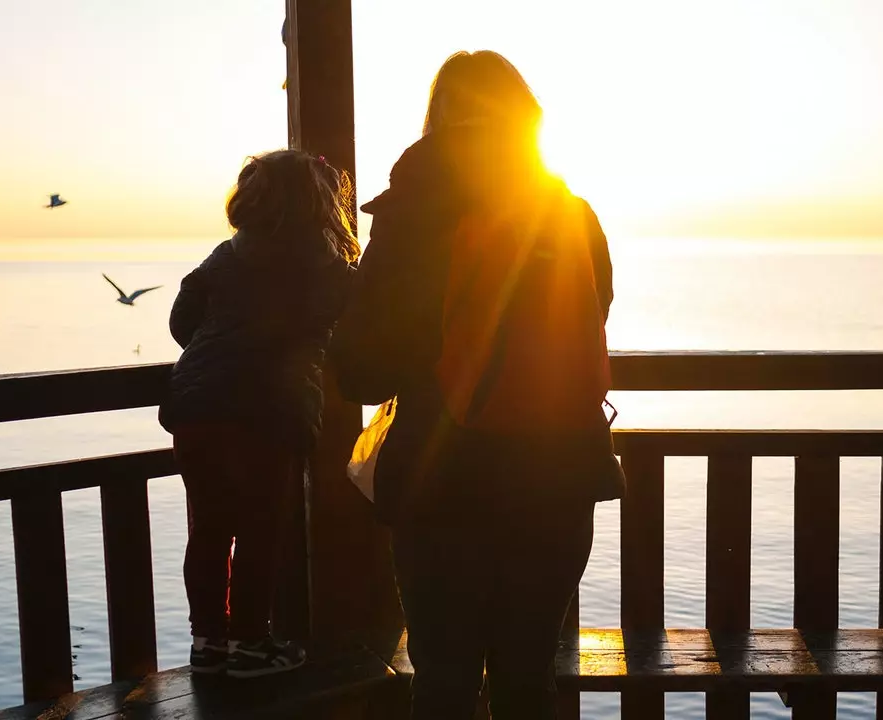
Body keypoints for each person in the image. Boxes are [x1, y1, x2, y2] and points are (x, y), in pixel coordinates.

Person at [330, 51, 624, 718]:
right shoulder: (572, 215)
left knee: (445, 683)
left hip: (443, 482)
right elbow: (592, 316)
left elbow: (361, 366)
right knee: (527, 679)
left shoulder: (414, 213)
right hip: (560, 474)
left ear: (438, 122)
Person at [159, 150, 359, 678]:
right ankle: (251, 643)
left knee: (209, 527)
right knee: (259, 530)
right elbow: (348, 321)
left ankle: (208, 643)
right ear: (319, 202)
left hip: (196, 407)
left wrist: (217, 353)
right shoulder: (321, 261)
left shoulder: (225, 255)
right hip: (267, 413)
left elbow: (183, 322)